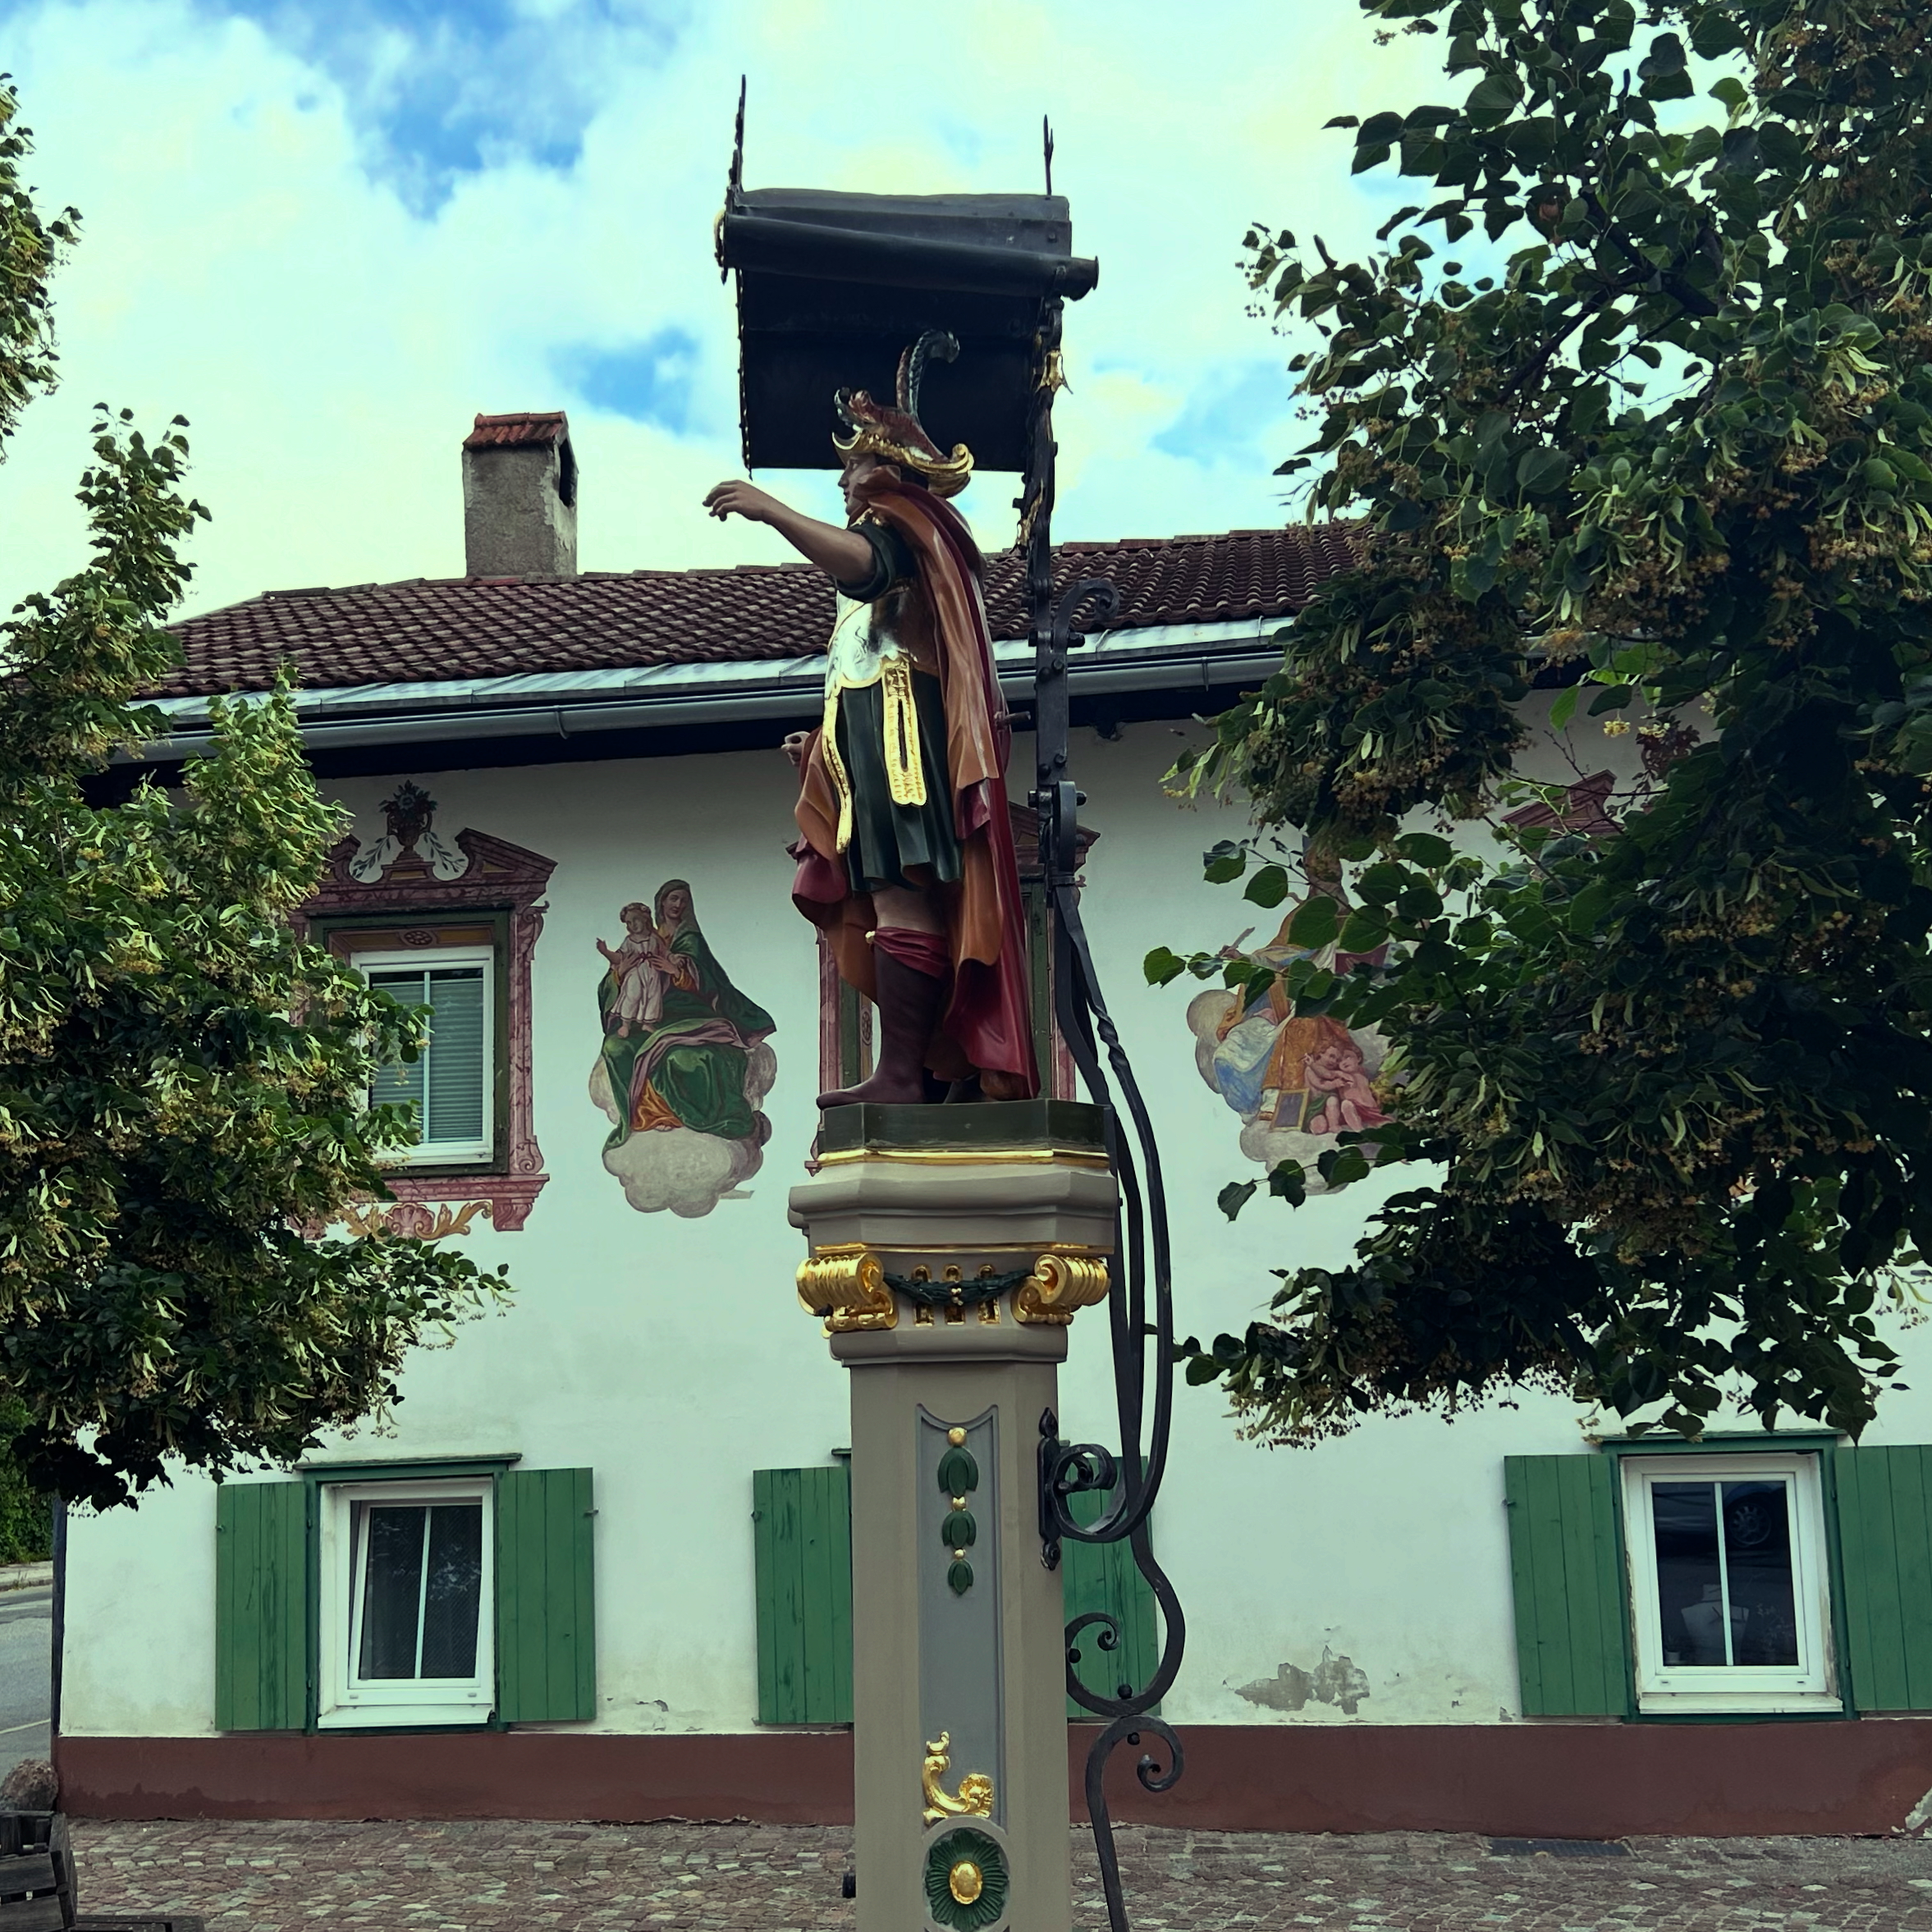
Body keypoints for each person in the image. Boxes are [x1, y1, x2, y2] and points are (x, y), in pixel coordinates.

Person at [703, 330, 1036, 1108]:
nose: (845, 482)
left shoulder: (903, 534)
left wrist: (770, 512)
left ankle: (903, 1075)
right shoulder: (894, 562)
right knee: (892, 899)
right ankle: (917, 1070)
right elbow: (867, 668)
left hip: (905, 748)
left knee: (903, 895)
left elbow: (863, 566)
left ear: (892, 475)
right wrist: (822, 751)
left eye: (853, 466)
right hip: (879, 746)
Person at [595, 881, 776, 1145]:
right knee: (616, 1047)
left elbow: (712, 982)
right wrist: (620, 973)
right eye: (673, 899)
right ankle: (640, 1120)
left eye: (683, 901)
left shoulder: (690, 939)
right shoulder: (643, 937)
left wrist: (676, 971)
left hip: (693, 1014)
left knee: (682, 1058)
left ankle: (699, 1120)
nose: (677, 905)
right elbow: (612, 981)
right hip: (651, 1014)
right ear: (661, 903)